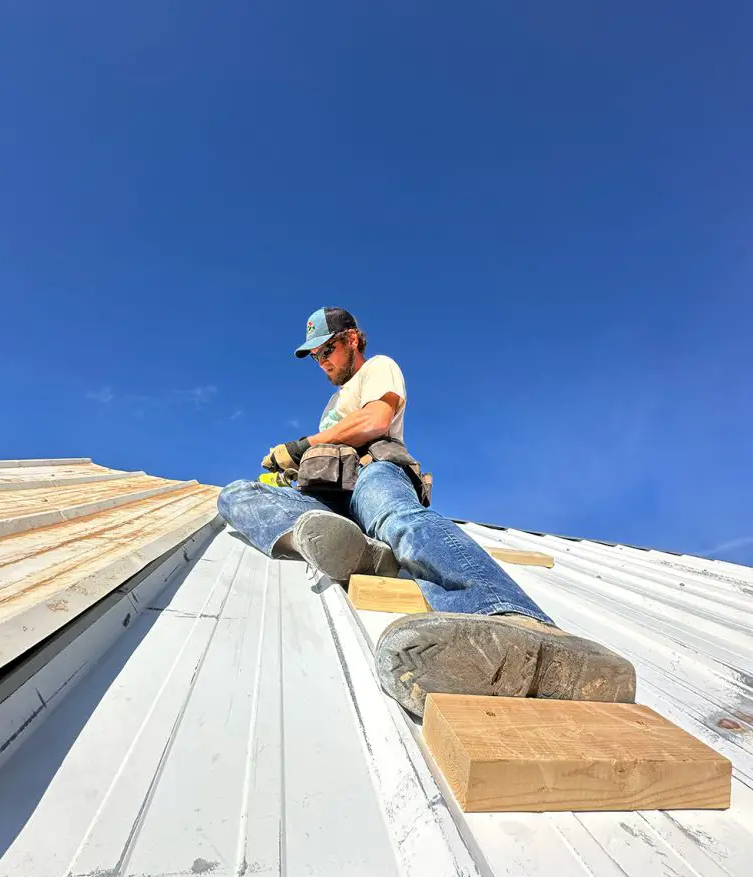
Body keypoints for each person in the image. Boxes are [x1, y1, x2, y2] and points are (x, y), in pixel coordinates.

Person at [218, 307, 636, 717]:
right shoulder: (334, 399)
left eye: (326, 350)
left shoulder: (377, 368)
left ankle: (512, 618)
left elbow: (376, 420)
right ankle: (364, 553)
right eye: (314, 356)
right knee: (236, 495)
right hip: (330, 496)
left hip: (369, 473)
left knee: (397, 516)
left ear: (351, 339)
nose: (321, 362)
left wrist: (301, 446)